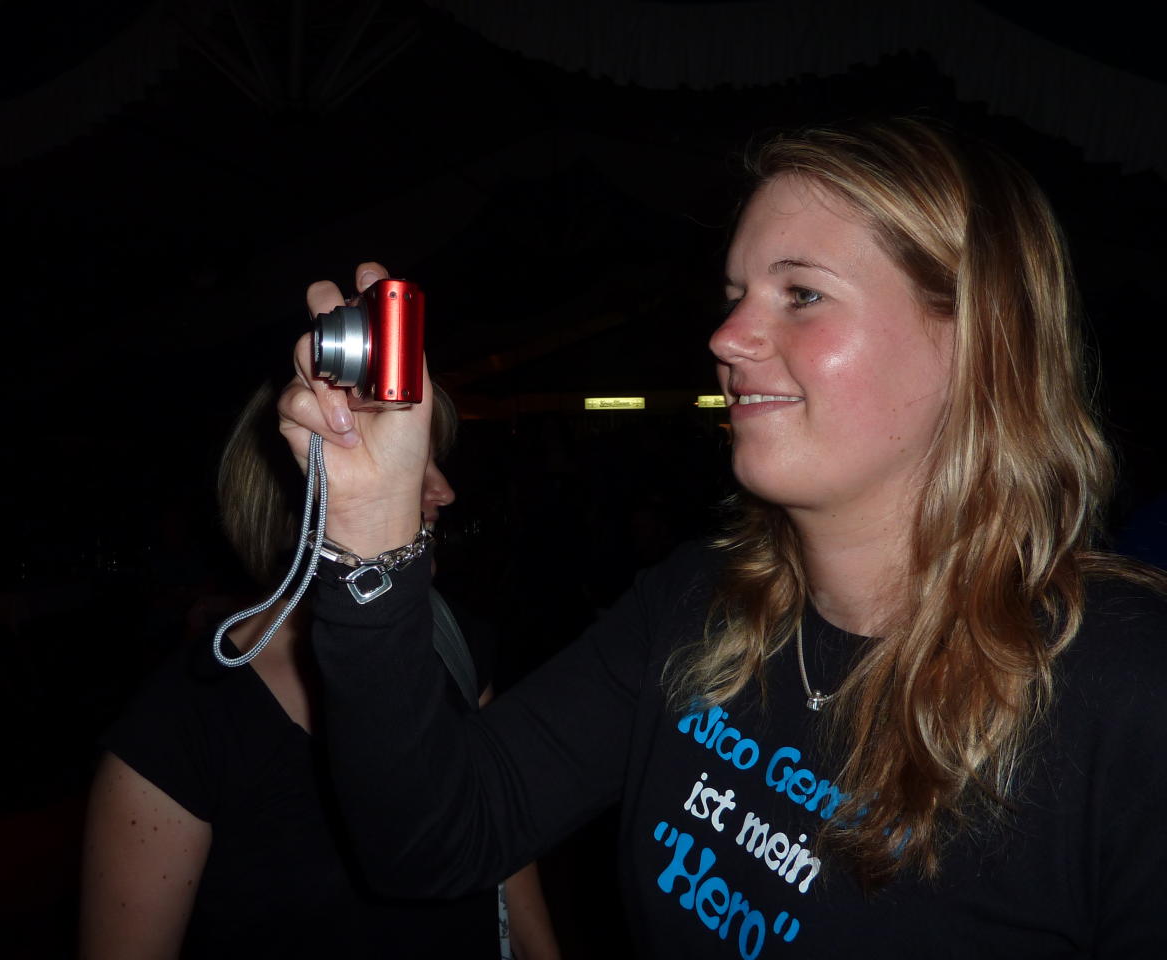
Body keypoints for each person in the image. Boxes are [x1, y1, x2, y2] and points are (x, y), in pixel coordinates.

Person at [278, 117, 1167, 958]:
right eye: (736, 295)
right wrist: (369, 543)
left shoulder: (1126, 684)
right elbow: (435, 841)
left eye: (802, 294)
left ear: (978, 338)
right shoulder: (696, 603)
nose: (727, 336)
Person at [79, 380, 560, 958]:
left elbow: (502, 856)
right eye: (410, 462)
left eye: (433, 461)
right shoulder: (178, 725)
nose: (444, 491)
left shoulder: (454, 641)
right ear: (300, 491)